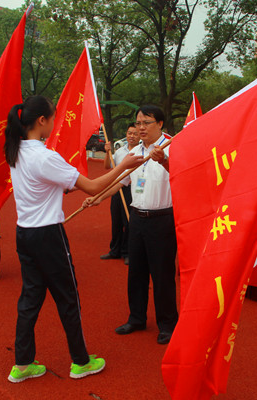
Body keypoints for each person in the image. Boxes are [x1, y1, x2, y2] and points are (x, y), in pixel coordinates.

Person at [4, 96, 143, 383]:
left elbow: (54, 186)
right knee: (68, 298)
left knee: (30, 298)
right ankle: (80, 361)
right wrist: (124, 165)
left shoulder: (17, 150)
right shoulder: (44, 156)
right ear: (41, 120)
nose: (54, 124)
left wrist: (69, 182)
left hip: (25, 233)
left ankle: (23, 363)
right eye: (52, 118)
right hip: (48, 236)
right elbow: (91, 186)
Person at [85, 105, 178, 345]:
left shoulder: (173, 146)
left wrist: (164, 161)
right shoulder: (134, 152)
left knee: (162, 275)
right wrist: (98, 197)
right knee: (136, 272)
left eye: (146, 122)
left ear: (160, 123)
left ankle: (168, 324)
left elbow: (182, 175)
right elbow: (120, 181)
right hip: (136, 219)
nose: (141, 128)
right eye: (138, 123)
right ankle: (136, 318)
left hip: (162, 220)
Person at [99, 123, 140, 265]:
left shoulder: (141, 152)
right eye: (129, 133)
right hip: (116, 189)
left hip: (131, 190)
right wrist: (107, 153)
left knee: (128, 221)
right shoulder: (120, 151)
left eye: (135, 134)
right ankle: (114, 250)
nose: (132, 136)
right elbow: (107, 166)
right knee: (116, 221)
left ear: (139, 136)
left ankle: (127, 252)